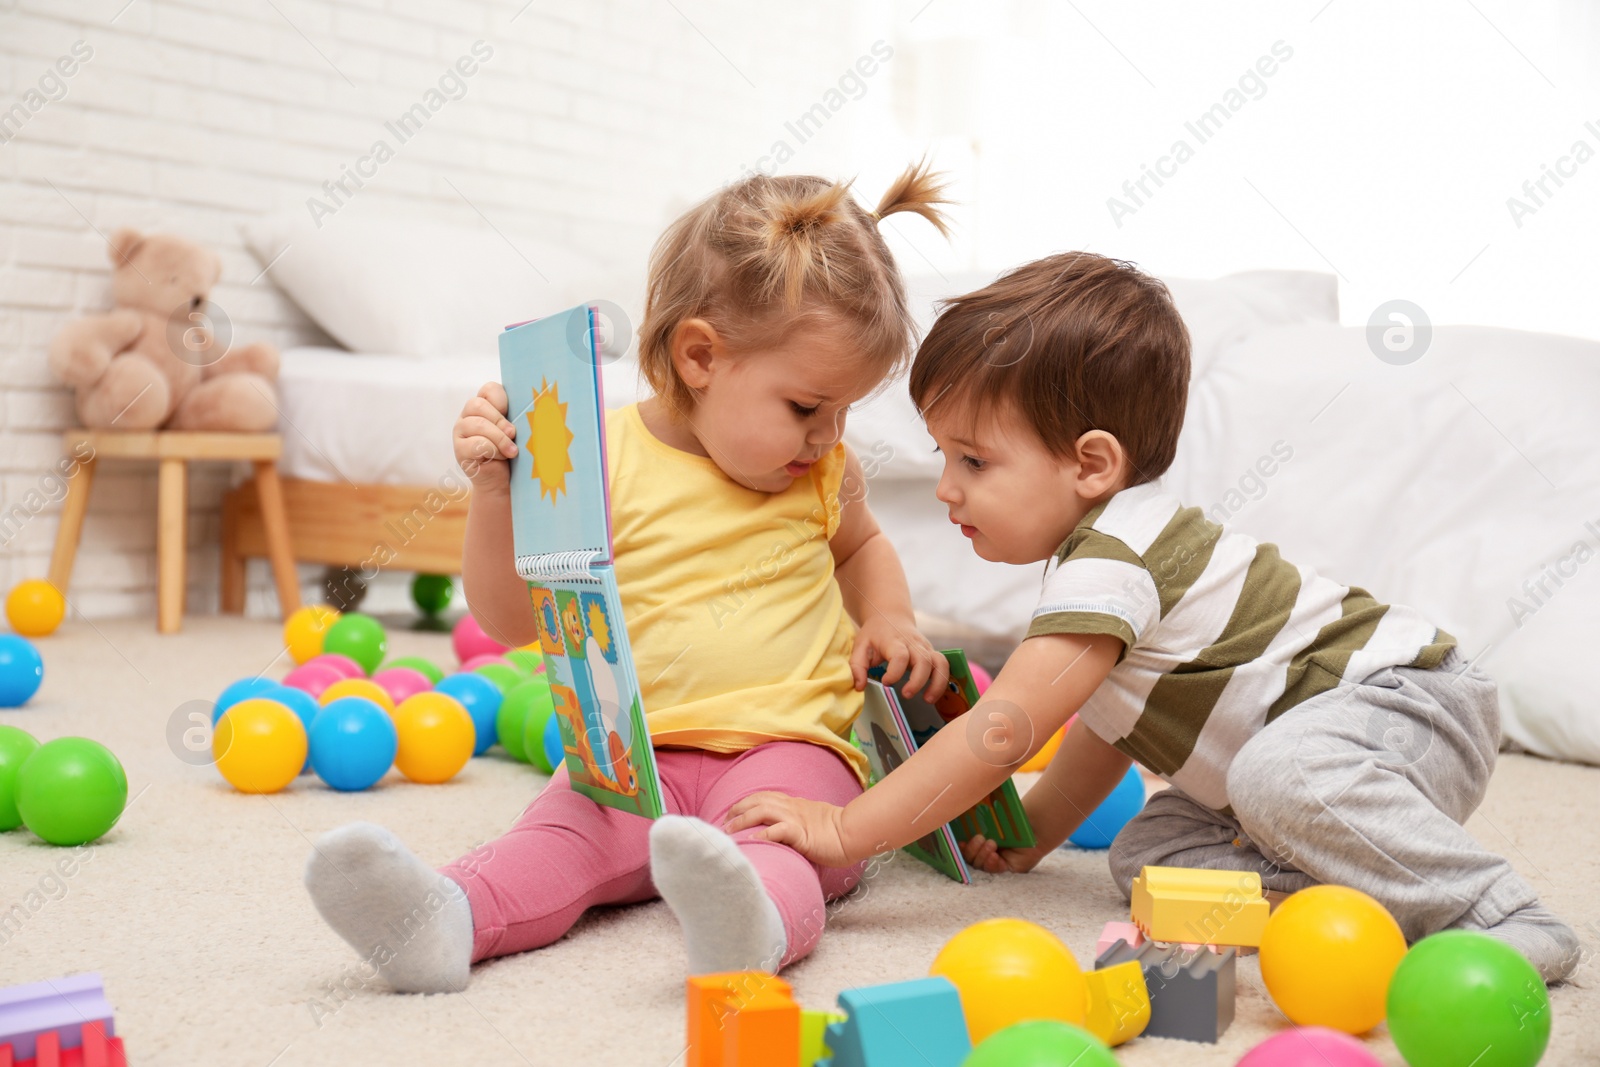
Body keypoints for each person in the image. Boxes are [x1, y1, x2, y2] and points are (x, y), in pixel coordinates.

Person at [726, 251, 1580, 983]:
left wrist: (846, 828)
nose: (947, 487)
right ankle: (1368, 896)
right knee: (1149, 859)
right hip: (1302, 763)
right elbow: (1112, 722)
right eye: (945, 456)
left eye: (974, 460)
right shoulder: (1091, 569)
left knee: (1280, 776)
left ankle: (1497, 908)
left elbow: (1001, 732)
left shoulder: (1118, 561)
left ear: (1092, 463)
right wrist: (1037, 836)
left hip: (1408, 704)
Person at [302, 163, 955, 993]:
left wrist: (889, 615)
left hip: (785, 747)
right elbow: (510, 620)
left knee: (791, 846)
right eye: (805, 407)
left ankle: (747, 922)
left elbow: (861, 550)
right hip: (628, 752)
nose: (827, 435)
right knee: (554, 840)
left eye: (845, 411)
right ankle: (444, 919)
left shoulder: (826, 473)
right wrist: (496, 496)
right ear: (699, 357)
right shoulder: (587, 460)